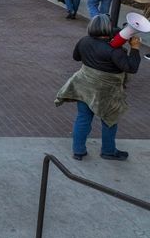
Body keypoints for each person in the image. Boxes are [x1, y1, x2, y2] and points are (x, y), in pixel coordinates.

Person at [55, 15, 140, 161]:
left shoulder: (84, 41)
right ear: (107, 29)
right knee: (109, 120)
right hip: (106, 91)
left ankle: (78, 151)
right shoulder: (115, 51)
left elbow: (76, 57)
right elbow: (131, 67)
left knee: (83, 118)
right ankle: (108, 151)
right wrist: (135, 48)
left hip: (84, 87)